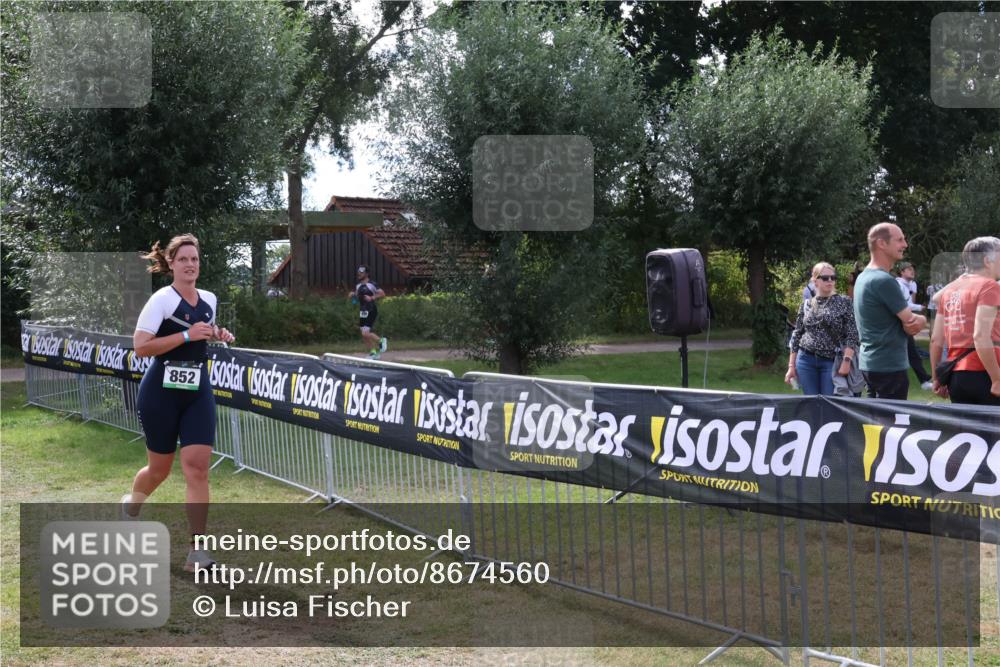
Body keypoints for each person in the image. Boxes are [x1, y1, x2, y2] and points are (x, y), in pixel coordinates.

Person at [122, 234, 235, 572]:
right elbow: (141, 346)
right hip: (160, 393)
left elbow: (204, 329)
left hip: (197, 390)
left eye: (195, 259)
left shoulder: (209, 299)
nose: (190, 264)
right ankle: (130, 507)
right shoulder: (161, 300)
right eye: (183, 258)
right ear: (171, 263)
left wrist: (218, 334)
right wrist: (186, 336)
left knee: (198, 468)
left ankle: (197, 553)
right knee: (159, 470)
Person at [853, 223, 926, 400]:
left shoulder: (864, 277)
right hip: (888, 367)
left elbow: (907, 322)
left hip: (871, 363)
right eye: (899, 240)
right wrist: (922, 320)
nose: (905, 245)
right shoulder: (883, 280)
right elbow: (912, 325)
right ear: (881, 243)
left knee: (874, 423)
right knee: (891, 425)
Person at [930, 236, 1000, 406]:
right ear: (987, 261)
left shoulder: (950, 291)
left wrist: (937, 378)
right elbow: (980, 336)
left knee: (967, 432)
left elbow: (936, 340)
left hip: (956, 377)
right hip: (986, 374)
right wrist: (997, 379)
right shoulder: (990, 286)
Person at [785, 262, 860, 395]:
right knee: (811, 403)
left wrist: (847, 360)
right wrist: (791, 366)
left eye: (833, 277)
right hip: (805, 360)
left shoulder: (844, 302)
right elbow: (797, 334)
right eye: (825, 278)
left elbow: (852, 334)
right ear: (815, 281)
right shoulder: (806, 304)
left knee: (829, 403)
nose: (830, 280)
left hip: (831, 361)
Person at [895, 262, 934, 387]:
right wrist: (919, 307)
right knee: (908, 353)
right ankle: (923, 380)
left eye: (913, 269)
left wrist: (919, 307)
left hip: (903, 324)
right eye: (909, 269)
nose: (912, 271)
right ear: (902, 272)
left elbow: (908, 305)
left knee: (912, 353)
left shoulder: (908, 285)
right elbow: (903, 306)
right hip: (898, 324)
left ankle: (924, 380)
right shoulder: (899, 285)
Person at [349, 265, 387, 359]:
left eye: (361, 273)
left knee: (365, 333)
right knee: (363, 334)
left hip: (371, 309)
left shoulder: (372, 284)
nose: (359, 274)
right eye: (358, 272)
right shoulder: (358, 286)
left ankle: (381, 340)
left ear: (367, 274)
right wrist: (352, 295)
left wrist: (372, 298)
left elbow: (382, 294)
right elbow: (357, 299)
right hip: (363, 311)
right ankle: (373, 352)